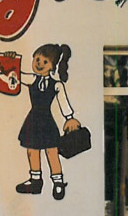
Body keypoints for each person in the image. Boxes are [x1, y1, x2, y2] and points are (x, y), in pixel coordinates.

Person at [8, 43, 81, 200]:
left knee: (51, 152)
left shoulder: (57, 85)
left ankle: (58, 182)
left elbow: (63, 102)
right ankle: (36, 181)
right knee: (32, 151)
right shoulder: (31, 79)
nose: (39, 63)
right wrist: (8, 62)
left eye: (44, 61)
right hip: (33, 120)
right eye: (37, 59)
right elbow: (14, 75)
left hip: (46, 121)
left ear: (52, 66)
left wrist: (69, 118)